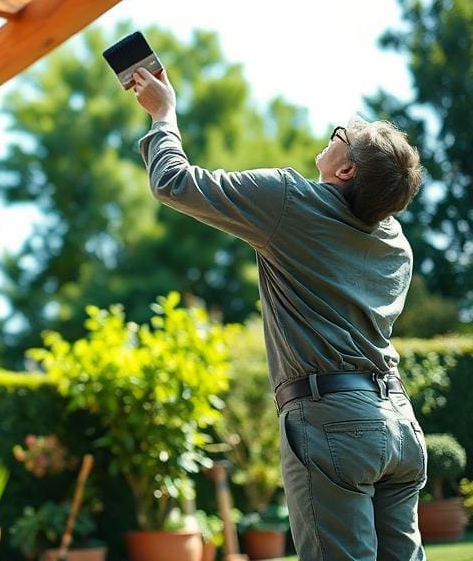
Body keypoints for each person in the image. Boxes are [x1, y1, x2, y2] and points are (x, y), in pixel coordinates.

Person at [131, 64, 427, 561]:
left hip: (333, 419)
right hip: (398, 423)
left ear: (346, 170)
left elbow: (174, 182)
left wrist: (164, 113)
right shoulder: (396, 244)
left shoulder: (290, 202)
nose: (334, 135)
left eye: (341, 136)